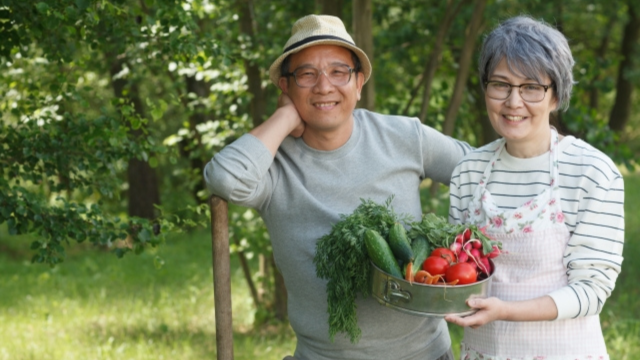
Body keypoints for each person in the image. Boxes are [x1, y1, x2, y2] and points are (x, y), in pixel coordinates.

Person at [204, 14, 472, 360]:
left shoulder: (405, 137)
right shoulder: (272, 165)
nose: (324, 86)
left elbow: (482, 170)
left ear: (358, 83)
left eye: (338, 71)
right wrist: (285, 117)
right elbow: (225, 179)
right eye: (306, 74)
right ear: (285, 86)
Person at [445, 15, 625, 360]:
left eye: (531, 87)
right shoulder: (468, 171)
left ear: (555, 95)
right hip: (484, 352)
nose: (513, 102)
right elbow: (460, 270)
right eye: (500, 84)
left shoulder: (592, 172)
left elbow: (592, 291)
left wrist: (506, 311)